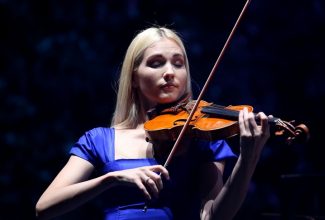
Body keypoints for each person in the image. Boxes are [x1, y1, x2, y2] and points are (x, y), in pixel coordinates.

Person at [35, 26, 271, 220]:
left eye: (178, 64)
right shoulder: (98, 140)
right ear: (134, 76)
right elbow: (44, 208)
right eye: (156, 63)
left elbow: (213, 217)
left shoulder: (201, 140)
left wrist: (248, 159)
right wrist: (112, 178)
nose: (170, 72)